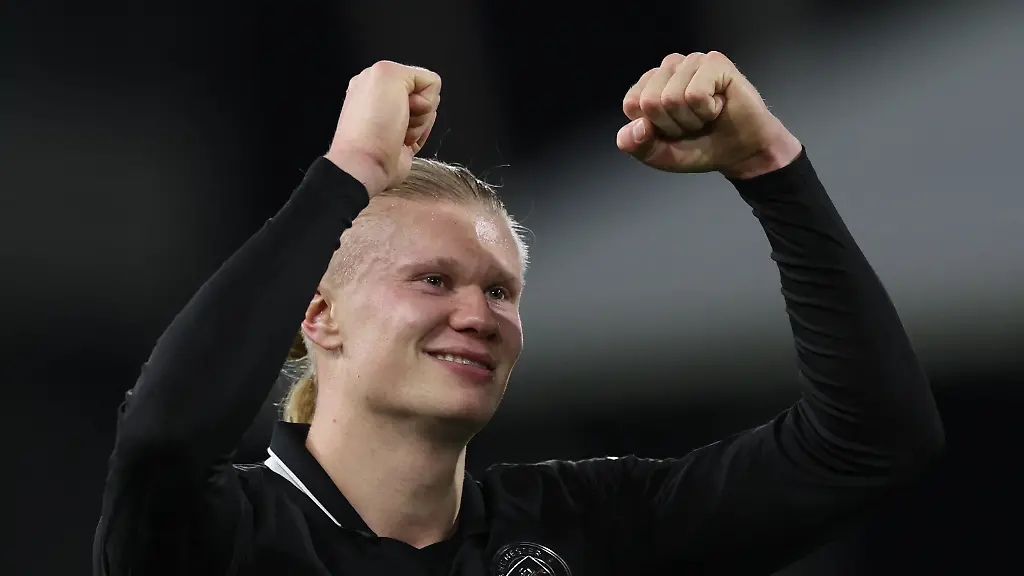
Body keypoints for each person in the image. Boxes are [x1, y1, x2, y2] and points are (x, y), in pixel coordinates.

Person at [93, 52, 944, 576]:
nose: (479, 314)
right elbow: (164, 433)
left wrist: (769, 166)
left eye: (501, 290)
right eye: (432, 280)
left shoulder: (587, 526)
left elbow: (872, 442)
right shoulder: (217, 535)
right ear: (319, 317)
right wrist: (349, 166)